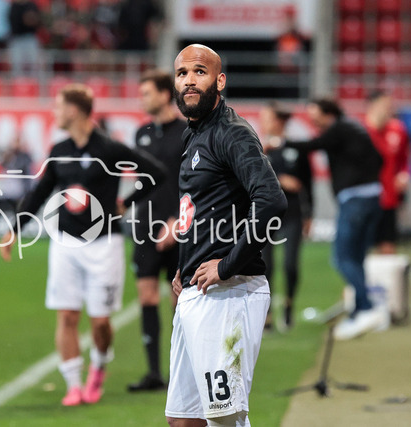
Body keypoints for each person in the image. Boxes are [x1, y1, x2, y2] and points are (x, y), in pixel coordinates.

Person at [0, 84, 165, 406]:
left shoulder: (110, 148)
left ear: (74, 110)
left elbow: (156, 173)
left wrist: (127, 202)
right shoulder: (59, 149)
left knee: (100, 322)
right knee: (67, 316)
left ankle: (98, 368)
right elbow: (39, 192)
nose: (55, 113)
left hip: (104, 244)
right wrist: (15, 229)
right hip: (65, 242)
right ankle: (73, 385)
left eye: (58, 107)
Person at [167, 44, 287, 427]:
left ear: (219, 81)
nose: (189, 80)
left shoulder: (231, 133)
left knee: (225, 419)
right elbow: (203, 208)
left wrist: (226, 265)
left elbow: (270, 201)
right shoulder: (193, 134)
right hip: (198, 292)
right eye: (182, 73)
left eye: (199, 72)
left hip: (231, 294)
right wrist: (185, 267)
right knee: (183, 420)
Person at [285, 98, 384, 340]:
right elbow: (379, 159)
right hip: (372, 198)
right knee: (356, 258)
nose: (313, 122)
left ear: (328, 114)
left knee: (341, 258)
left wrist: (281, 142)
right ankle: (361, 310)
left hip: (355, 200)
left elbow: (312, 145)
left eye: (316, 116)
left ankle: (366, 308)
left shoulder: (339, 128)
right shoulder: (354, 128)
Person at [127, 69, 187, 392]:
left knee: (180, 300)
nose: (142, 99)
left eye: (147, 93)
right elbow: (144, 183)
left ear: (165, 95)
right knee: (147, 295)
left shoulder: (187, 132)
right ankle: (153, 373)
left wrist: (177, 220)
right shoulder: (141, 134)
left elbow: (191, 183)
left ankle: (182, 373)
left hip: (180, 227)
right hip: (144, 226)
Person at [259, 102, 313, 330]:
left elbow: (307, 183)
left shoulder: (296, 148)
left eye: (267, 117)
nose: (263, 122)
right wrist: (280, 179)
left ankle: (289, 305)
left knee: (290, 264)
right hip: (265, 214)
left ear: (280, 121)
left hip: (292, 213)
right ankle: (267, 313)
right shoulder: (258, 148)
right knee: (265, 266)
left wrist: (309, 215)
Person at [364, 91, 411, 254]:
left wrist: (404, 175)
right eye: (385, 105)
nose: (389, 109)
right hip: (365, 196)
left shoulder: (398, 130)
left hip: (389, 196)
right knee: (364, 245)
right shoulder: (361, 131)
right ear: (372, 105)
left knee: (388, 244)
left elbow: (404, 159)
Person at [0, 135, 33, 217]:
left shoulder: (24, 157)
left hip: (19, 195)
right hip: (7, 194)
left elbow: (21, 166)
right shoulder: (9, 157)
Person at [8, 0, 42, 76]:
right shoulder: (13, 6)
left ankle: (33, 82)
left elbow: (35, 21)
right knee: (16, 66)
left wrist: (30, 18)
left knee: (34, 65)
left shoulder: (32, 5)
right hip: (16, 39)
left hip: (30, 38)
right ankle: (18, 83)